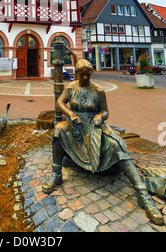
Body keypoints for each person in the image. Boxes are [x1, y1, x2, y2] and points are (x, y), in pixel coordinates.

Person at [42, 59, 164, 226]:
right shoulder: (71, 87)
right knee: (58, 130)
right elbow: (59, 102)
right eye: (81, 74)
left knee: (117, 145)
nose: (85, 77)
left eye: (88, 74)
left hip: (93, 126)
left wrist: (100, 116)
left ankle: (143, 194)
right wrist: (70, 114)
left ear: (92, 74)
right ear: (76, 74)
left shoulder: (98, 91)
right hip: (75, 124)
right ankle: (56, 175)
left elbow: (105, 111)